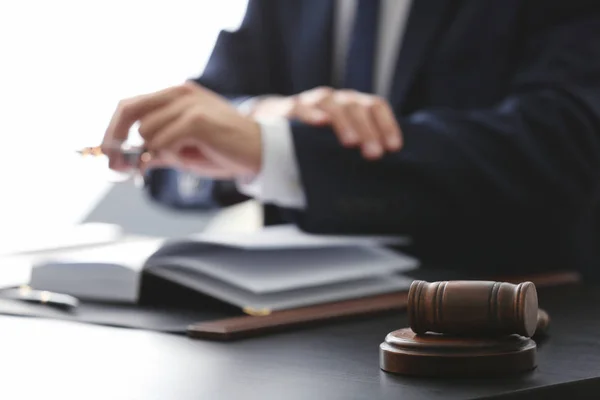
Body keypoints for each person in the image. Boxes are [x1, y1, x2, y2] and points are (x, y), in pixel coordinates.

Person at [102, 0, 600, 277]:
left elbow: (563, 143)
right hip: (295, 336)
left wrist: (280, 149)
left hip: (513, 327)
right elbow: (186, 143)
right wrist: (263, 117)